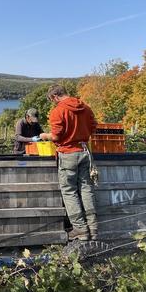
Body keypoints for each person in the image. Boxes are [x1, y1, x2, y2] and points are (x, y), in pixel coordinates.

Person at [38, 85, 99, 240]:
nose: (53, 103)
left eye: (52, 101)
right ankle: (93, 228)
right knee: (86, 189)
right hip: (85, 152)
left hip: (68, 154)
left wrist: (45, 136)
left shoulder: (58, 111)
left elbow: (57, 137)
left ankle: (80, 229)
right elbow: (93, 127)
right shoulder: (85, 107)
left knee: (69, 191)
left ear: (54, 97)